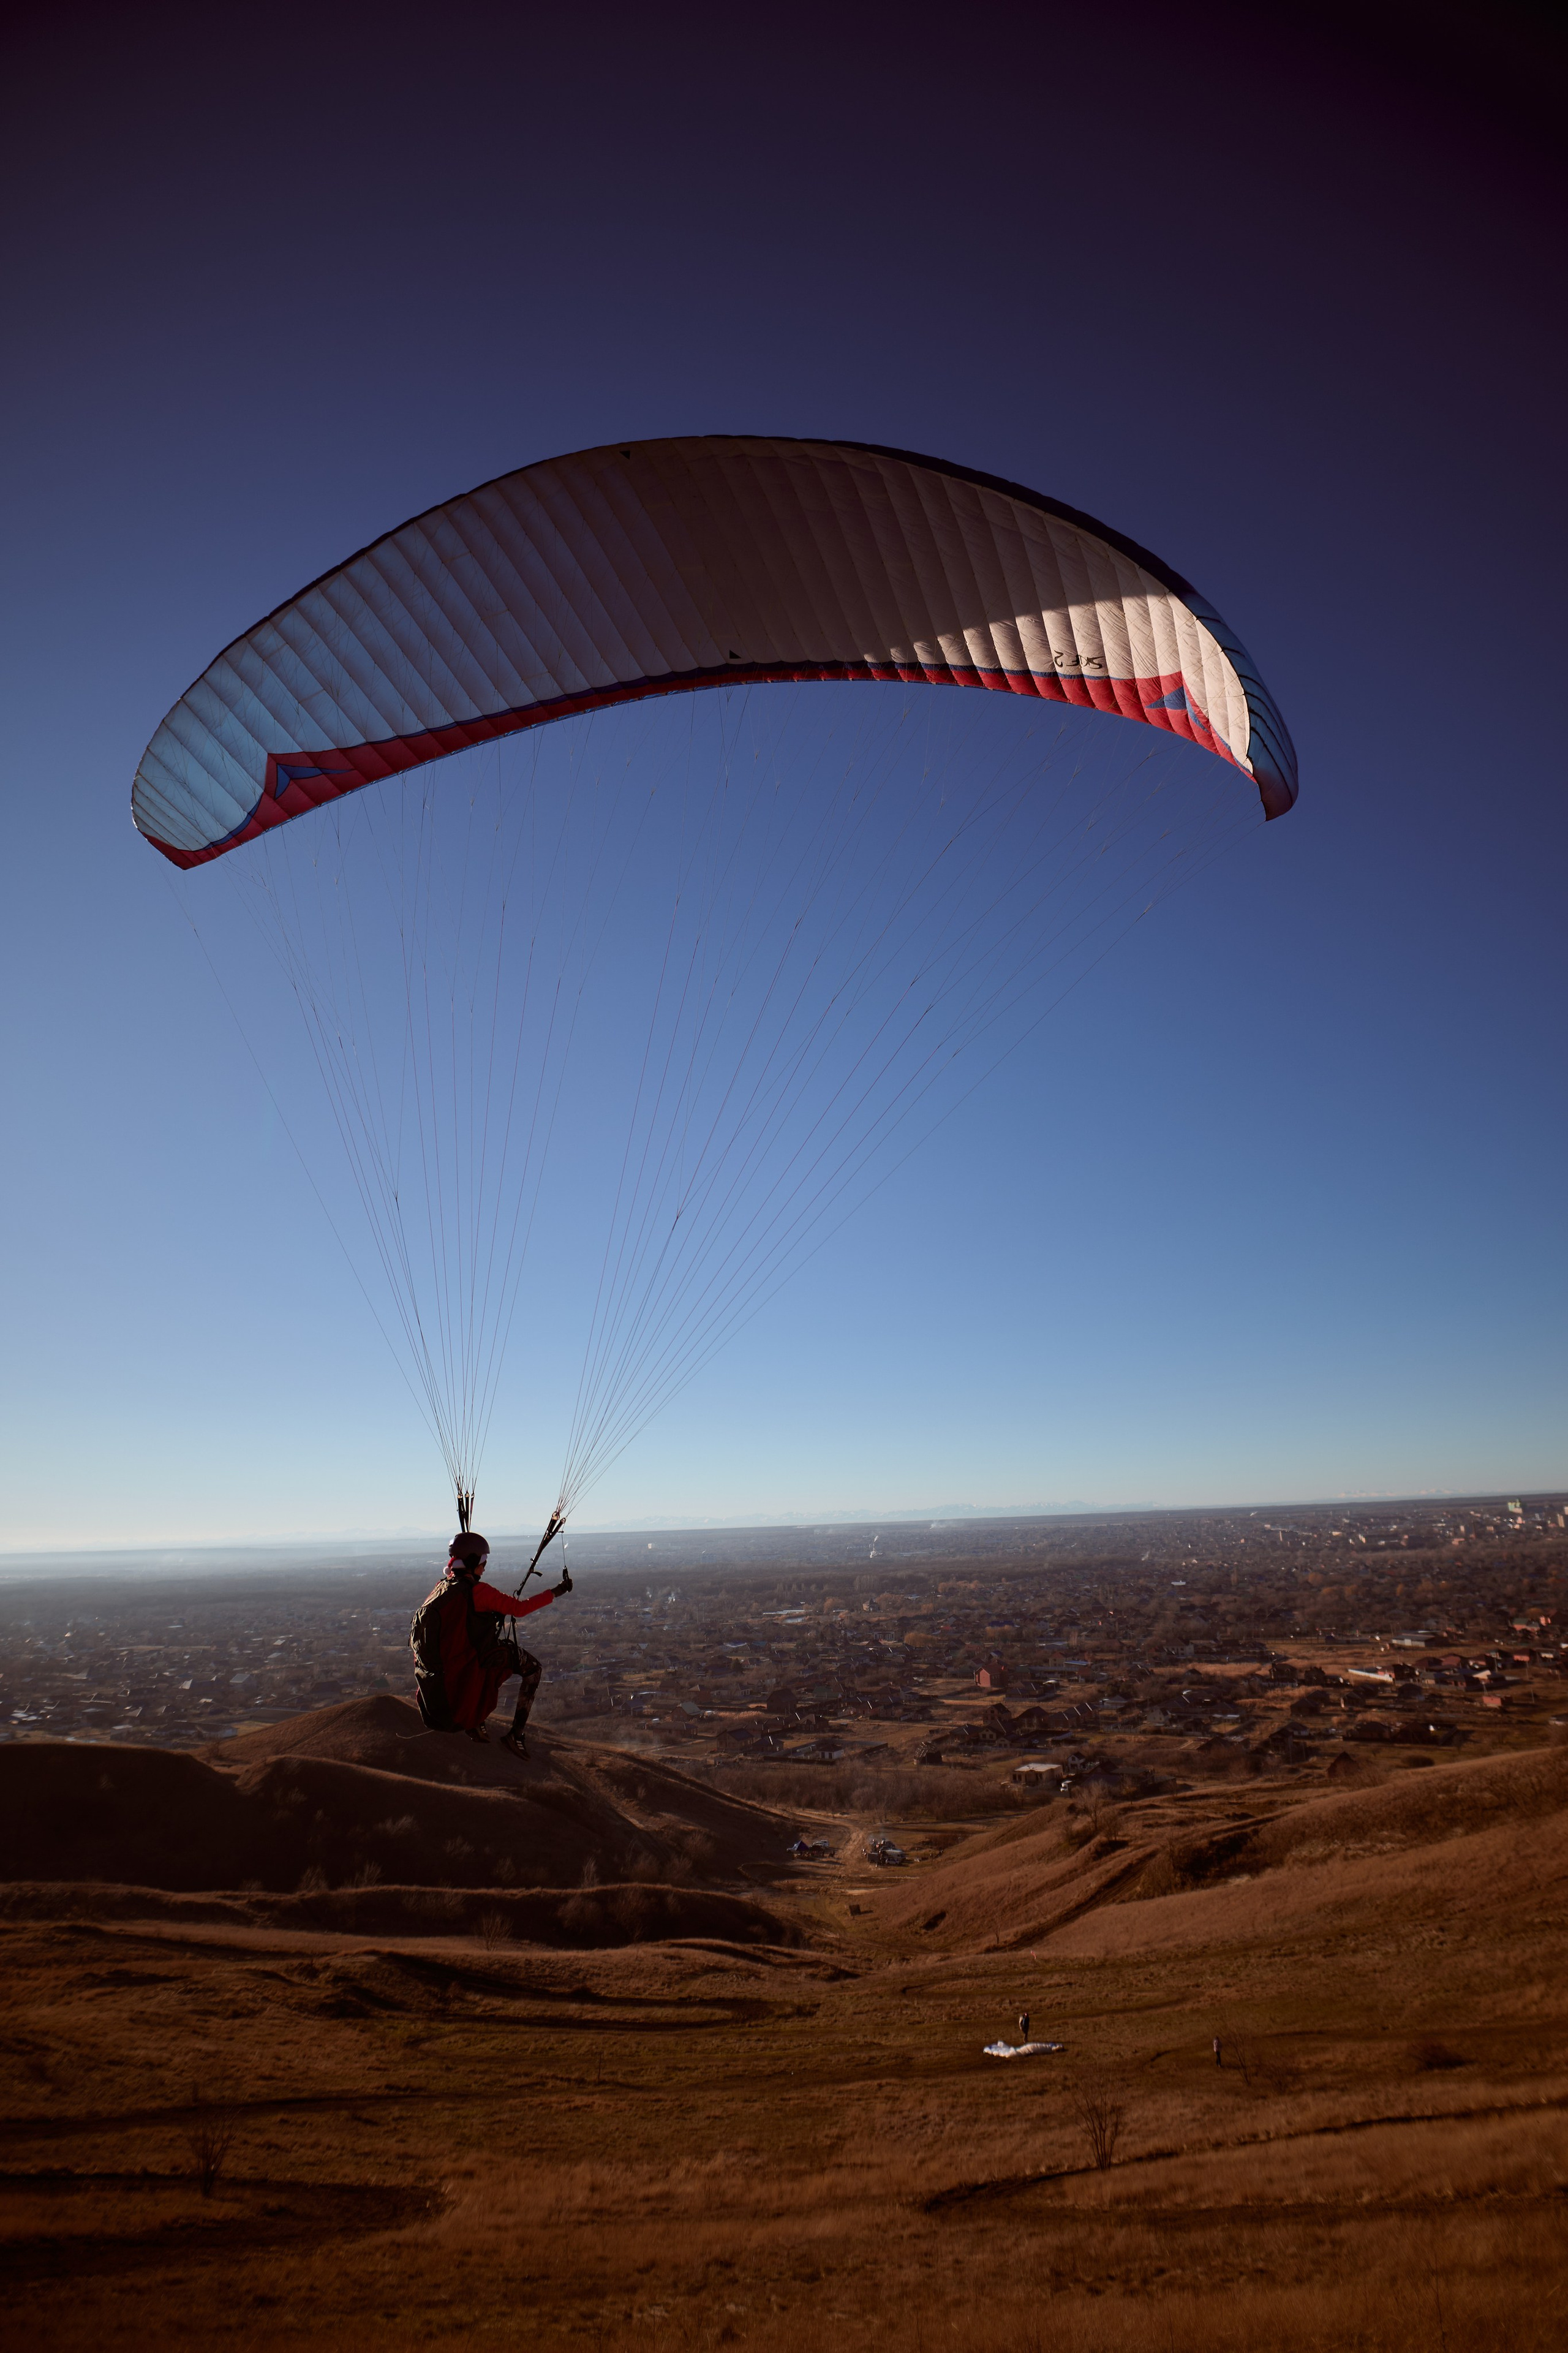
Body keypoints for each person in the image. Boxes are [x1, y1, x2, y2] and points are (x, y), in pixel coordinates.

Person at [411, 1532, 571, 1759]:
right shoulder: (479, 1592)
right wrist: (556, 1592)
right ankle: (516, 1736)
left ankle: (477, 1722)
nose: (485, 1568)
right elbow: (519, 1609)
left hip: (453, 1666)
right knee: (533, 1669)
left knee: (494, 1664)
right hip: (476, 1658)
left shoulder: (441, 1587)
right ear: (473, 1562)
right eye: (483, 1563)